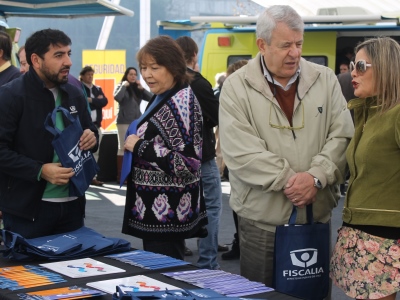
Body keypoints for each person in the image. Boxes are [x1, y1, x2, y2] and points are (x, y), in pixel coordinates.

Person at [218, 5, 354, 286]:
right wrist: (293, 182)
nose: (295, 53)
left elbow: (342, 136)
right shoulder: (236, 87)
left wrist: (316, 177)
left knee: (313, 293)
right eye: (285, 45)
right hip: (262, 224)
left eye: (299, 43)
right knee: (263, 293)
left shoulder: (325, 79)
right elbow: (240, 152)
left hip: (315, 219)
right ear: (262, 44)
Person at [0, 29, 99, 239]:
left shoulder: (74, 93)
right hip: (27, 211)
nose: (68, 62)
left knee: (73, 270)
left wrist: (92, 136)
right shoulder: (11, 95)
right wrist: (40, 170)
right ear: (35, 60)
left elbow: (90, 129)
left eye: (68, 54)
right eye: (58, 55)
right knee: (29, 271)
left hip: (73, 207)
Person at [121, 35, 208, 260]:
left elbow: (188, 164)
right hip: (157, 212)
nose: (147, 74)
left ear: (174, 67)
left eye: (155, 67)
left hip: (166, 215)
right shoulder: (165, 94)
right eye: (143, 68)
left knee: (166, 277)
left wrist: (140, 146)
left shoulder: (181, 103)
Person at [330, 37, 400, 300]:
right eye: (352, 64)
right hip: (360, 232)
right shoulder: (368, 113)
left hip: (384, 237)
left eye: (360, 65)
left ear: (385, 67)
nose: (352, 73)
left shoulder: (396, 114)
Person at [176, 36, 222, 269]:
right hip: (202, 157)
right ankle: (207, 263)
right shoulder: (198, 83)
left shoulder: (170, 81)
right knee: (210, 208)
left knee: (181, 208)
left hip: (175, 158)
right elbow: (215, 116)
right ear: (194, 55)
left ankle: (177, 261)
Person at [220, 59, 248, 261]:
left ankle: (244, 244)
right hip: (236, 161)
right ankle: (241, 243)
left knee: (244, 206)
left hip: (244, 161)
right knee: (238, 204)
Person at [114, 67, 152, 183]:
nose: (133, 76)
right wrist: (123, 86)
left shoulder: (137, 88)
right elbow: (117, 97)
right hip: (123, 121)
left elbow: (151, 98)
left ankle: (132, 173)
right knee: (122, 148)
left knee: (135, 147)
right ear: (126, 75)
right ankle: (121, 176)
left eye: (135, 74)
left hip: (136, 121)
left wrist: (142, 89)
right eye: (130, 74)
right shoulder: (122, 86)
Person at [80, 66, 108, 186]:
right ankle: (81, 175)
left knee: (95, 151)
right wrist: (95, 101)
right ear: (82, 76)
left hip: (96, 126)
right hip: (83, 126)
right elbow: (82, 104)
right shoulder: (79, 88)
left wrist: (91, 100)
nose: (90, 77)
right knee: (82, 152)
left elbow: (104, 102)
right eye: (88, 75)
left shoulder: (97, 88)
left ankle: (92, 176)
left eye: (92, 75)